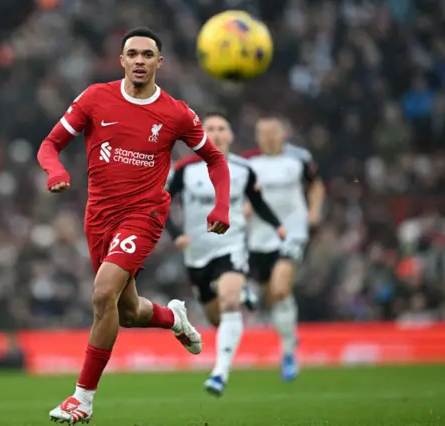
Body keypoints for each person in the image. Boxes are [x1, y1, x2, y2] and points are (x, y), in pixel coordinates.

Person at [37, 28, 231, 424]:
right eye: (133, 54)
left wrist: (221, 207)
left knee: (102, 293)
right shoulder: (95, 98)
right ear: (121, 60)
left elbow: (216, 160)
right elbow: (49, 144)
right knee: (125, 312)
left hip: (144, 214)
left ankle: (83, 400)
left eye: (148, 54)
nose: (140, 60)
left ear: (160, 62)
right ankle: (172, 317)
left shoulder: (176, 112)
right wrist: (54, 170)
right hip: (99, 217)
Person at [165, 112, 286, 396]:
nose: (217, 134)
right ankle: (243, 295)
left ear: (231, 136)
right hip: (197, 254)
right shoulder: (185, 169)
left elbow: (258, 202)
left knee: (229, 302)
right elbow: (163, 202)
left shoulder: (244, 169)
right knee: (216, 317)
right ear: (201, 135)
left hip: (231, 247)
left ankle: (220, 373)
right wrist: (175, 234)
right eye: (211, 129)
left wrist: (278, 226)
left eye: (222, 128)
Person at [242, 116, 325, 382]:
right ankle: (289, 333)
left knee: (280, 288)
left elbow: (316, 185)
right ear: (257, 136)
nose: (268, 137)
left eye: (273, 132)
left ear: (283, 133)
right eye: (263, 133)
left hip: (292, 232)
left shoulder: (299, 158)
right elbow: (239, 193)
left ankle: (289, 353)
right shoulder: (248, 163)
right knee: (270, 297)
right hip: (258, 238)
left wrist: (313, 212)